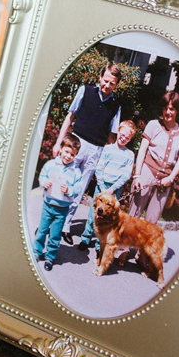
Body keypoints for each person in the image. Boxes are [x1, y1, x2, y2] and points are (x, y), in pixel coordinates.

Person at [53, 62, 122, 243]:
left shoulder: (116, 105)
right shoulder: (85, 91)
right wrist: (59, 143)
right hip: (76, 143)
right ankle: (54, 220)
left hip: (96, 150)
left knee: (79, 189)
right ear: (100, 77)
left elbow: (111, 137)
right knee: (64, 182)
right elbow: (70, 116)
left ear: (117, 84)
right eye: (105, 81)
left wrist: (111, 161)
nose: (107, 85)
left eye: (111, 83)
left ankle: (65, 227)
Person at [129, 90, 179, 224]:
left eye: (172, 109)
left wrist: (171, 178)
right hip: (147, 172)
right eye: (165, 108)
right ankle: (123, 245)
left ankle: (143, 245)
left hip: (166, 179)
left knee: (151, 221)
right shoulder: (153, 125)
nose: (168, 112)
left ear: (177, 111)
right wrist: (137, 175)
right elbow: (143, 149)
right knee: (133, 215)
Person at [79, 120, 138, 250]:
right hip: (102, 186)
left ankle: (99, 243)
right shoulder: (108, 148)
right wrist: (101, 185)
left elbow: (126, 175)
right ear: (118, 131)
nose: (123, 139)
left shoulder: (129, 155)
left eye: (127, 138)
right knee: (93, 213)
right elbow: (99, 167)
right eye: (122, 135)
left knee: (107, 217)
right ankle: (85, 237)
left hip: (114, 189)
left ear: (130, 139)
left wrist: (112, 189)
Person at [33, 134, 83, 272]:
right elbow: (42, 176)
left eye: (72, 154)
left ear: (76, 155)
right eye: (66, 152)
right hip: (48, 205)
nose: (68, 156)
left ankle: (50, 257)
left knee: (55, 235)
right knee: (42, 231)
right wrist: (44, 182)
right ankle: (36, 251)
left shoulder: (76, 172)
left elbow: (78, 188)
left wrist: (69, 190)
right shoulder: (50, 165)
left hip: (62, 209)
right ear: (61, 149)